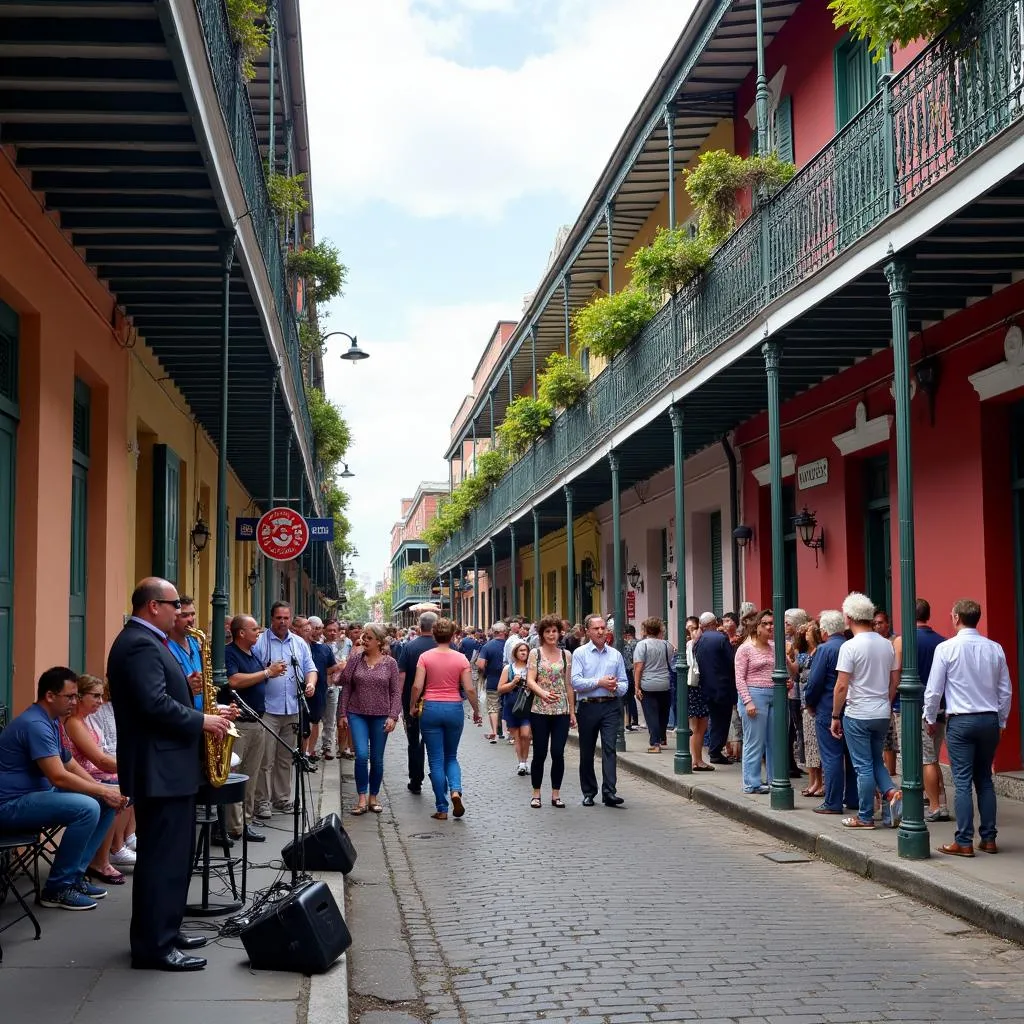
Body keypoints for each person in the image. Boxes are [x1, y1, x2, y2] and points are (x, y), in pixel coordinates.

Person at [106, 577, 231, 970]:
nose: (180, 611)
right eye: (174, 604)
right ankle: (154, 947)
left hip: (168, 766)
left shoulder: (150, 641)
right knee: (162, 859)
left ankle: (167, 929)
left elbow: (164, 697)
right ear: (152, 606)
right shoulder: (140, 644)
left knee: (173, 858)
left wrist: (206, 712)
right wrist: (203, 720)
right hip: (159, 769)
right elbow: (153, 705)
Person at [0, 667, 122, 911]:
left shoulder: (51, 721)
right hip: (11, 804)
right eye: (70, 696)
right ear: (50, 696)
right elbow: (59, 777)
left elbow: (68, 763)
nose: (75, 701)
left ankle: (75, 876)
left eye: (76, 696)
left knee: (104, 800)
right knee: (88, 806)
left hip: (38, 795)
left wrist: (102, 788)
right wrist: (99, 791)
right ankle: (57, 888)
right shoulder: (35, 724)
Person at [924, 598, 1012, 857]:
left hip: (961, 719)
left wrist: (930, 718)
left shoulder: (947, 648)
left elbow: (934, 689)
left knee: (962, 781)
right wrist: (1002, 720)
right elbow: (1005, 690)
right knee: (984, 778)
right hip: (988, 718)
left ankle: (963, 840)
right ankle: (989, 837)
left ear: (955, 618)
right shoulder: (994, 648)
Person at [830, 592, 902, 830]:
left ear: (849, 617)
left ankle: (865, 816)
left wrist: (835, 716)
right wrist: (886, 702)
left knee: (863, 766)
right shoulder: (887, 645)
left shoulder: (849, 647)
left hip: (858, 712)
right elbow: (894, 681)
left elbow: (841, 686)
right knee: (875, 761)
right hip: (881, 711)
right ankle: (891, 793)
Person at [63, 674, 137, 883]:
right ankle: (103, 858)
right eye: (95, 696)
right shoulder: (75, 723)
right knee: (119, 790)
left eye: (101, 696)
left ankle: (116, 847)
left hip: (91, 774)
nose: (100, 701)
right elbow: (99, 760)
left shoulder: (86, 721)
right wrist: (135, 764)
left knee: (127, 784)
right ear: (80, 697)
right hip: (83, 777)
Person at [409, 618, 481, 819]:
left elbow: (416, 686)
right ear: (453, 636)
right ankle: (456, 790)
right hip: (454, 708)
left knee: (435, 760)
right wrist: (476, 711)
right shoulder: (461, 659)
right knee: (451, 756)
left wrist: (413, 705)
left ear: (434, 634)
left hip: (431, 707)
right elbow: (469, 689)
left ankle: (442, 807)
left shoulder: (425, 657)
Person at [251, 602, 317, 813]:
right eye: (278, 618)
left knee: (286, 758)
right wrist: (268, 671)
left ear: (291, 620)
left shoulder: (298, 643)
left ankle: (282, 798)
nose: (282, 622)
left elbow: (311, 668)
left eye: (286, 618)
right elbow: (253, 671)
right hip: (269, 709)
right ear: (272, 619)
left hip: (293, 708)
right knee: (265, 759)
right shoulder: (260, 642)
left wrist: (310, 683)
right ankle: (262, 802)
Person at [223, 614, 282, 840]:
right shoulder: (230, 653)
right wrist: (267, 673)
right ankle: (232, 826)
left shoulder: (253, 654)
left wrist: (268, 671)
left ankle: (245, 822)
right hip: (239, 723)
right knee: (234, 774)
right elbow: (234, 681)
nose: (259, 632)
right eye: (255, 629)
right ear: (241, 633)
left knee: (251, 776)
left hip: (257, 720)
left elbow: (256, 679)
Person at [894, 599, 948, 822]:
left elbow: (896, 673)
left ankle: (936, 806)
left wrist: (891, 699)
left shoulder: (901, 641)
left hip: (911, 706)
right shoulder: (942, 642)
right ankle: (938, 800)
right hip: (938, 707)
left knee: (922, 758)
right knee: (932, 757)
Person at [340, 623, 402, 815]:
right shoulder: (356, 659)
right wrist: (342, 713)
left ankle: (373, 797)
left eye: (368, 638)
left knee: (376, 759)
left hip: (381, 715)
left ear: (379, 641)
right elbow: (345, 685)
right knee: (361, 755)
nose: (364, 640)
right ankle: (361, 798)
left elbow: (395, 691)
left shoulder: (390, 663)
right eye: (363, 637)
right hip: (357, 712)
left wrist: (393, 716)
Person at [803, 609, 859, 815]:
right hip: (852, 709)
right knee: (852, 756)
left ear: (824, 631)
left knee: (831, 756)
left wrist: (809, 701)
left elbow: (815, 682)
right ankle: (853, 797)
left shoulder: (825, 650)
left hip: (828, 708)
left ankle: (833, 801)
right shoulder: (850, 645)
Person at [572, 614, 628, 807]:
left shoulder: (615, 655)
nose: (601, 631)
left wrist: (615, 687)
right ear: (588, 631)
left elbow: (624, 683)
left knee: (610, 748)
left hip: (611, 705)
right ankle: (589, 792)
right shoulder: (580, 653)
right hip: (588, 706)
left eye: (603, 628)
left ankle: (609, 792)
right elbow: (576, 682)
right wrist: (599, 682)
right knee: (587, 751)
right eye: (596, 628)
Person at [525, 614, 575, 808]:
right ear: (542, 634)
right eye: (548, 631)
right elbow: (530, 680)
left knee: (558, 752)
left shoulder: (566, 655)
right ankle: (536, 793)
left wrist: (572, 711)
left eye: (555, 631)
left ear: (560, 633)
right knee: (540, 753)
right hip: (539, 709)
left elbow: (568, 684)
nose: (552, 634)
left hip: (561, 709)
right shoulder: (535, 654)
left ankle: (556, 793)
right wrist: (543, 693)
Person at [734, 609, 776, 794]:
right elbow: (739, 678)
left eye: (772, 623)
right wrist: (748, 701)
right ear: (757, 626)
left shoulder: (775, 647)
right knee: (754, 741)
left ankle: (776, 779)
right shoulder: (745, 648)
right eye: (765, 623)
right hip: (754, 694)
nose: (769, 627)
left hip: (775, 694)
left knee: (775, 741)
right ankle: (752, 782)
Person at [398, 611, 438, 795]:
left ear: (419, 624)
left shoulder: (409, 647)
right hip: (439, 700)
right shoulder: (446, 646)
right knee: (438, 742)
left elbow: (402, 675)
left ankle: (416, 779)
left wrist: (400, 700)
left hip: (412, 701)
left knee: (414, 740)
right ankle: (439, 779)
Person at [694, 611, 737, 765]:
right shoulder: (721, 638)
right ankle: (715, 751)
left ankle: (713, 749)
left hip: (705, 685)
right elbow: (731, 661)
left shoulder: (699, 640)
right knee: (722, 720)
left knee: (710, 720)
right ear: (714, 623)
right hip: (722, 686)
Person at [633, 617, 678, 757]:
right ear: (660, 630)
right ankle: (662, 737)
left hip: (647, 684)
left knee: (651, 714)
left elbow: (638, 667)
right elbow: (671, 659)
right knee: (663, 712)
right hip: (665, 683)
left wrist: (637, 686)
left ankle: (655, 743)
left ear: (646, 630)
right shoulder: (667, 645)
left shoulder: (642, 645)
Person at [792, 621, 823, 798]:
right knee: (809, 745)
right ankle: (813, 781)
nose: (806, 634)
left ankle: (820, 782)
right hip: (805, 703)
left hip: (815, 704)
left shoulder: (820, 652)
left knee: (817, 745)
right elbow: (795, 671)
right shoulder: (803, 655)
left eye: (809, 632)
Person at [497, 639, 533, 776]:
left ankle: (525, 760)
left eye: (526, 651)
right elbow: (500, 688)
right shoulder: (508, 668)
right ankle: (522, 763)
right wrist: (513, 683)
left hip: (527, 706)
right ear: (515, 653)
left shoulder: (532, 668)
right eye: (521, 651)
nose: (524, 653)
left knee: (526, 734)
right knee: (517, 737)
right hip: (512, 706)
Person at [166, 596, 203, 711]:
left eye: (193, 614)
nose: (191, 619)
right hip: (179, 715)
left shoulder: (195, 643)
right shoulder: (164, 647)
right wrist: (184, 686)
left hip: (200, 715)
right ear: (173, 618)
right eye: (185, 615)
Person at [476, 621, 508, 742]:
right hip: (508, 682)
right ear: (504, 632)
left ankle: (494, 732)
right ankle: (506, 732)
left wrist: (487, 670)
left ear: (493, 632)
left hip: (493, 680)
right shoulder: (509, 645)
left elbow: (480, 664)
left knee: (493, 707)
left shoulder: (487, 646)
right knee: (506, 705)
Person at [620, 624, 640, 731]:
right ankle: (634, 720)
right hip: (641, 673)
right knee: (632, 697)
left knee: (628, 698)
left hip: (630, 673)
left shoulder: (628, 646)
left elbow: (628, 662)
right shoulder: (640, 643)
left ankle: (629, 721)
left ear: (627, 635)